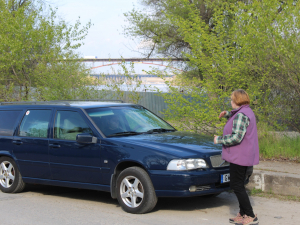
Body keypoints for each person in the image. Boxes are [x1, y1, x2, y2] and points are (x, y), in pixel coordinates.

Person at [214, 89, 259, 225]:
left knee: (237, 185)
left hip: (240, 156)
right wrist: (227, 114)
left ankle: (250, 215)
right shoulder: (246, 111)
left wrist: (219, 140)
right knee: (238, 185)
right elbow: (237, 119)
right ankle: (243, 213)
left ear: (238, 101)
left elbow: (236, 137)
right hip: (244, 155)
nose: (231, 101)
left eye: (232, 99)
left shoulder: (241, 115)